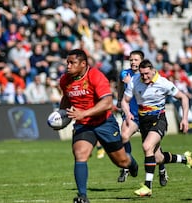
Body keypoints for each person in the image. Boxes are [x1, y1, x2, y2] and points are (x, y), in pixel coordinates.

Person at [58, 49, 139, 203]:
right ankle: (82, 196)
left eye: (72, 63)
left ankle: (132, 164)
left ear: (83, 64)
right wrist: (61, 116)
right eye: (67, 62)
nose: (68, 66)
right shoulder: (64, 80)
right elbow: (66, 99)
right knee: (80, 154)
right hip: (83, 125)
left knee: (121, 161)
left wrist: (84, 113)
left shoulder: (96, 76)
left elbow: (107, 103)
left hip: (104, 123)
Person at [121, 59, 192, 197]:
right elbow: (124, 101)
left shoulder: (163, 83)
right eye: (142, 74)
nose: (144, 77)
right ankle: (185, 159)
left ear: (152, 70)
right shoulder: (134, 80)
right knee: (158, 158)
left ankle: (148, 186)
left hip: (159, 120)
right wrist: (127, 113)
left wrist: (185, 119)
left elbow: (183, 98)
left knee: (146, 146)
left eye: (147, 74)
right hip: (144, 122)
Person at [116, 50, 168, 185]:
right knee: (124, 136)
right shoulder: (125, 74)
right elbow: (121, 85)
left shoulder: (149, 76)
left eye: (136, 60)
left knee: (154, 148)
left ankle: (162, 169)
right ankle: (126, 165)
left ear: (142, 62)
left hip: (148, 116)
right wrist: (119, 99)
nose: (133, 62)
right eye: (131, 60)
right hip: (133, 115)